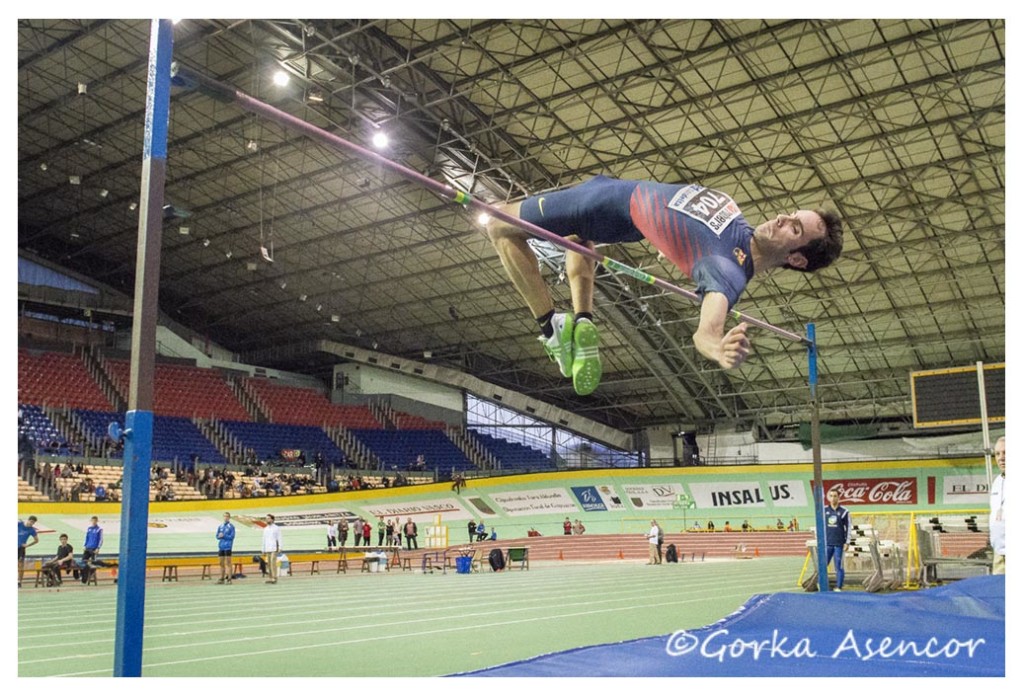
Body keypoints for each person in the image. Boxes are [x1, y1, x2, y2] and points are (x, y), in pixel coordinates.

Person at [484, 176, 843, 395]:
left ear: (797, 259)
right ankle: (582, 320)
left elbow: (706, 332)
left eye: (794, 229)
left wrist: (718, 349)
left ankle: (551, 329)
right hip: (622, 211)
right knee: (579, 240)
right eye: (792, 214)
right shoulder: (736, 219)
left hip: (605, 203)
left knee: (499, 222)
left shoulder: (726, 274)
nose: (783, 218)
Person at [824, 489, 851, 591]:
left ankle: (839, 586)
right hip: (827, 543)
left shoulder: (844, 512)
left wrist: (847, 542)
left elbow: (848, 528)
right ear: (829, 497)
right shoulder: (824, 510)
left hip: (839, 544)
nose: (833, 498)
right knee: (823, 566)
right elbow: (820, 526)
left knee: (838, 566)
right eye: (831, 496)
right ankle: (822, 585)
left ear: (838, 497)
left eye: (835, 496)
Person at [989, 436, 1005, 575]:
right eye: (998, 454)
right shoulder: (997, 482)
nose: (1001, 458)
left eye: (1006, 453)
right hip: (999, 553)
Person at [80, 516, 103, 584]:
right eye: (92, 520)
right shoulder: (89, 529)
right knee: (83, 561)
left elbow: (101, 539)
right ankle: (83, 576)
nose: (94, 522)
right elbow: (86, 537)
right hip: (87, 548)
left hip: (94, 549)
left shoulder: (99, 529)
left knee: (93, 563)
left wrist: (98, 548)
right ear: (91, 521)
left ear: (97, 521)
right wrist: (84, 545)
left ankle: (89, 576)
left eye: (95, 520)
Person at [18, 516, 39, 588]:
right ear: (28, 520)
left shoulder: (32, 530)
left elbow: (36, 540)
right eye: (31, 521)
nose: (32, 523)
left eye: (33, 523)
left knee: (20, 565)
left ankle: (19, 582)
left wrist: (27, 545)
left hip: (21, 548)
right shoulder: (19, 524)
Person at [216, 512, 236, 584]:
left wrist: (224, 536)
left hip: (228, 547)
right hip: (221, 546)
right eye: (224, 516)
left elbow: (232, 537)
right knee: (221, 563)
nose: (226, 518)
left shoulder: (231, 527)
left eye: (227, 516)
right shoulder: (220, 526)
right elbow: (217, 536)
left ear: (229, 518)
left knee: (228, 563)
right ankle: (221, 578)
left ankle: (229, 578)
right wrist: (219, 536)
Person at [262, 514, 282, 584]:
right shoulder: (265, 529)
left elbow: (279, 538)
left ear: (272, 520)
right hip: (267, 548)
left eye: (269, 518)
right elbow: (264, 540)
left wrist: (280, 547)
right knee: (268, 564)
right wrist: (263, 549)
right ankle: (270, 577)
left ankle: (274, 577)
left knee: (273, 563)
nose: (267, 520)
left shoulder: (276, 528)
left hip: (274, 548)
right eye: (266, 518)